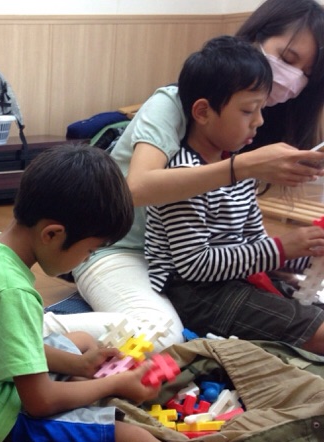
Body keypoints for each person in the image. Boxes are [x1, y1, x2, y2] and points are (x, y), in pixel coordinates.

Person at [0, 143, 324, 442]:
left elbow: (10, 345)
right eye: (90, 250)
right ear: (52, 234)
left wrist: (82, 366)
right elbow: (38, 402)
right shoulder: (11, 291)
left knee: (82, 344)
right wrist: (115, 384)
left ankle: (90, 378)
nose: (87, 258)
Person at [43, 0, 324, 349]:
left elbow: (246, 240)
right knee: (159, 335)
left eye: (305, 73)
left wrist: (298, 253)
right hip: (119, 249)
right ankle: (27, 329)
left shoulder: (242, 133)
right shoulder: (176, 108)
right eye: (288, 58)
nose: (293, 78)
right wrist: (243, 171)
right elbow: (136, 189)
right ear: (256, 39)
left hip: (188, 267)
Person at [145, 36, 324, 353]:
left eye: (261, 109)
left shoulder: (239, 168)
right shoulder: (185, 176)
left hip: (236, 279)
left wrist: (307, 252)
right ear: (203, 112)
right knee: (316, 331)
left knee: (312, 313)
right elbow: (195, 266)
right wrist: (282, 247)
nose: (260, 121)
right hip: (196, 293)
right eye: (248, 110)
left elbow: (254, 243)